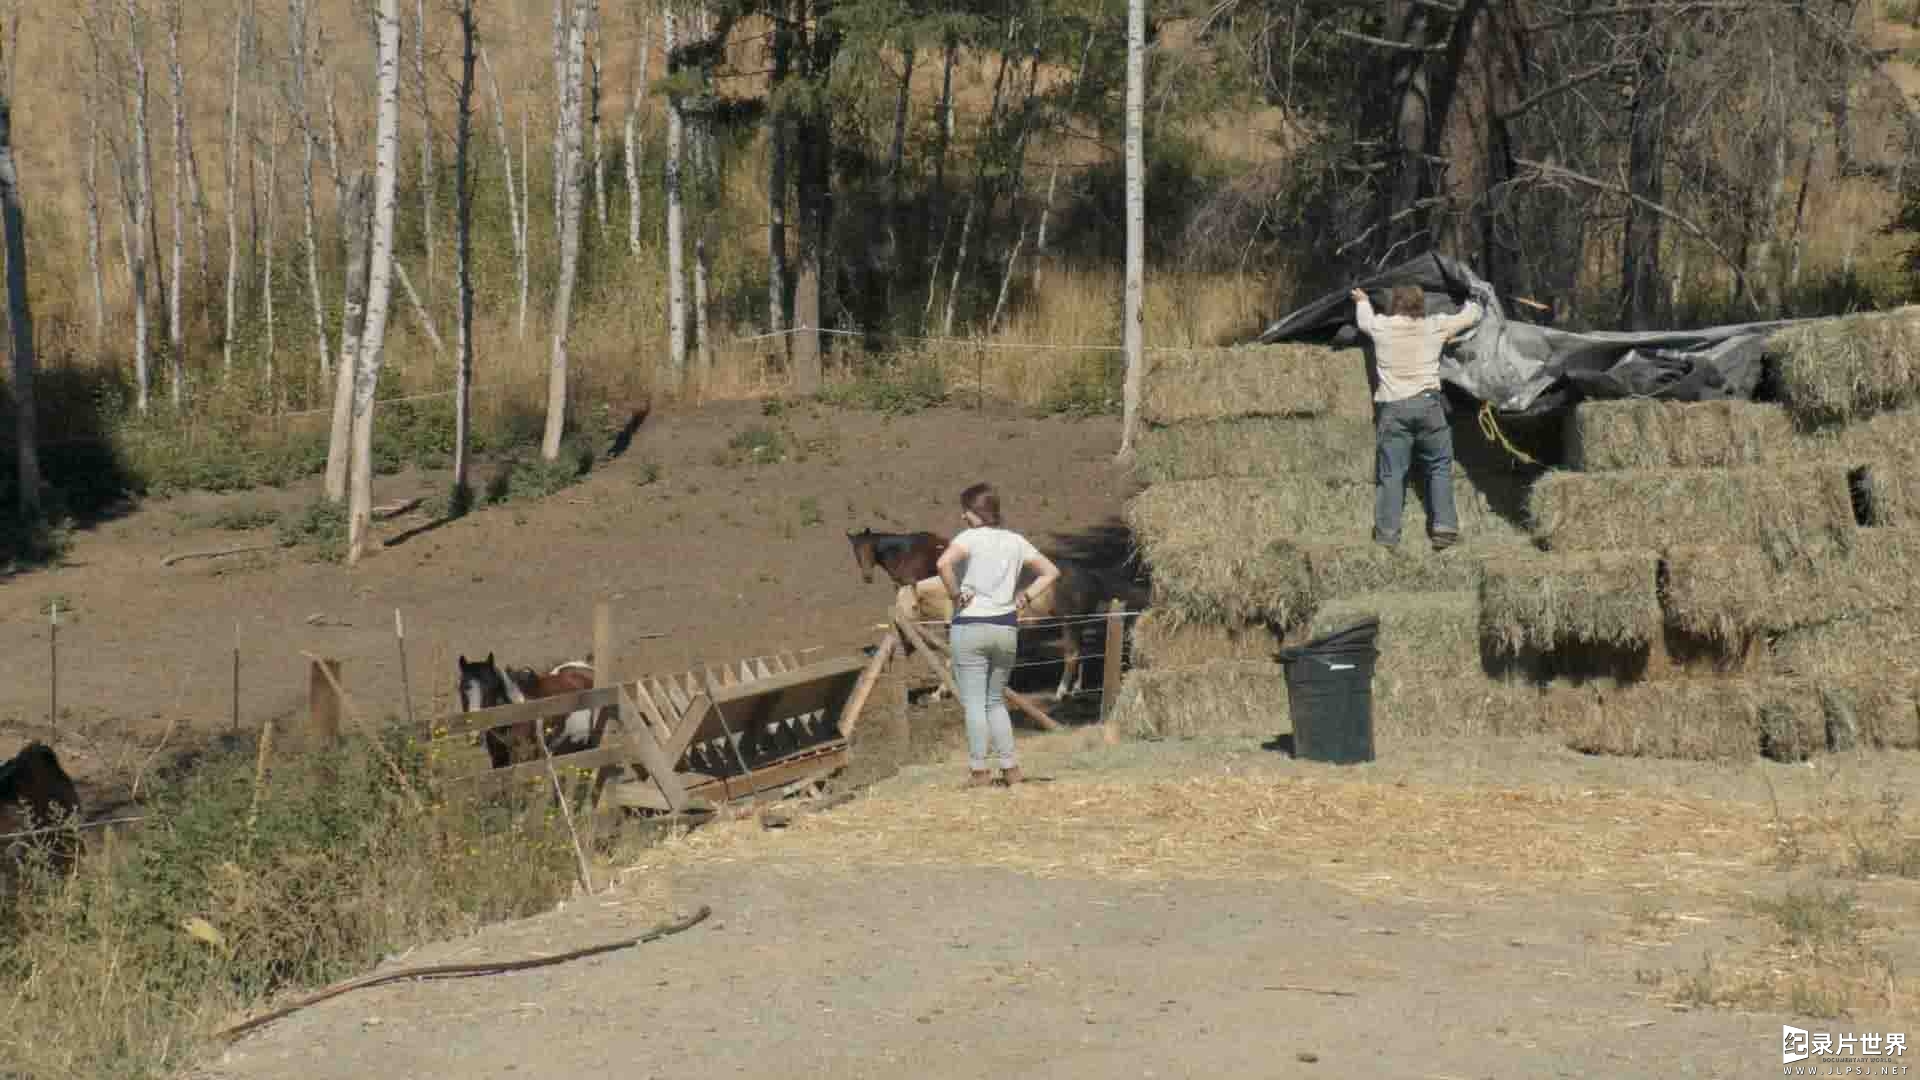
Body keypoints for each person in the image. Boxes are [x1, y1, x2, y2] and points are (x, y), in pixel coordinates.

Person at [934, 482, 1062, 788]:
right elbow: (1050, 571)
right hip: (1005, 626)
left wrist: (955, 594)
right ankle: (1011, 768)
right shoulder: (1015, 541)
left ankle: (979, 771)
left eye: (964, 511)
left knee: (975, 703)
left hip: (971, 626)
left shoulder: (968, 539)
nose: (962, 517)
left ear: (972, 512)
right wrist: (1026, 597)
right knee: (995, 701)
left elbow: (943, 564)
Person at [1349, 281, 1490, 551]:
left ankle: (1387, 535)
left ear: (1395, 304)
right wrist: (1477, 298)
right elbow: (1469, 316)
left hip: (1393, 408)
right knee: (1438, 466)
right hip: (1428, 408)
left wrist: (1362, 300)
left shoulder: (1382, 326)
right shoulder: (1435, 324)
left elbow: (1364, 321)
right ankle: (1445, 527)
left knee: (1392, 474)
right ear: (1420, 305)